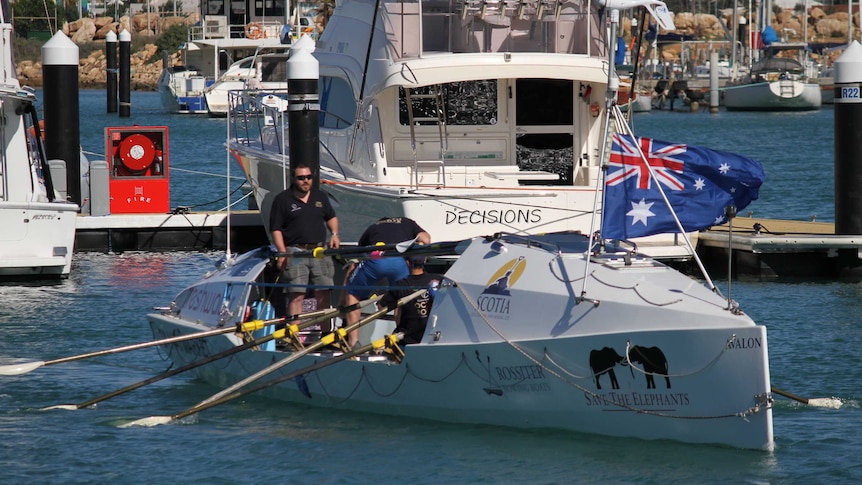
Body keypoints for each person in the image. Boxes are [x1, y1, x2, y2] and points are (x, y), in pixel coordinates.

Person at [343, 217, 430, 346]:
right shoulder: (407, 222)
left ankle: (353, 341)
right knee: (401, 299)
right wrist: (422, 256)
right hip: (399, 261)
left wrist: (345, 290)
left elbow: (355, 261)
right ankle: (400, 339)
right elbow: (426, 239)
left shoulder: (373, 227)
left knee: (353, 294)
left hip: (377, 260)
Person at [269, 164, 339, 323]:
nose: (305, 181)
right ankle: (294, 333)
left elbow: (331, 217)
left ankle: (325, 336)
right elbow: (276, 229)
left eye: (308, 177)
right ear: (293, 180)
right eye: (301, 178)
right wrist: (282, 253)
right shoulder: (282, 200)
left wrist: (334, 234)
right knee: (297, 295)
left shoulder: (320, 196)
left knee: (324, 294)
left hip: (320, 251)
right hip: (295, 253)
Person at [379, 256, 443, 345]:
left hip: (408, 339)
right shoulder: (439, 280)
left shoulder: (401, 285)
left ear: (408, 263)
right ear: (424, 260)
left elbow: (381, 307)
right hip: (433, 337)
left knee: (398, 306)